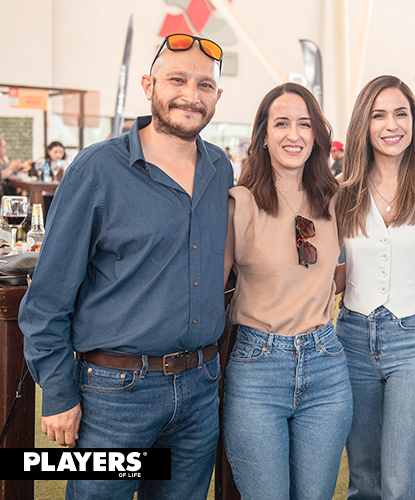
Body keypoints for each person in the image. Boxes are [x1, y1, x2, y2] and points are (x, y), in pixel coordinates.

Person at [19, 33, 232, 500]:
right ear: (148, 85)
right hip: (115, 395)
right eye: (177, 80)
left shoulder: (220, 168)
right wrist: (58, 393)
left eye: (204, 85)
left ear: (218, 96)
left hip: (200, 387)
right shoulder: (96, 170)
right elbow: (46, 299)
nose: (190, 96)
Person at [222, 82, 353, 500]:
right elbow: (209, 291)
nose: (293, 134)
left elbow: (335, 275)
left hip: (326, 364)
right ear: (263, 135)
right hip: (257, 367)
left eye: (304, 124)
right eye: (281, 123)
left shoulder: (337, 200)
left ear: (316, 136)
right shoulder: (238, 204)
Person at [335, 75, 415, 500]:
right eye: (379, 115)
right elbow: (331, 271)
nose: (392, 125)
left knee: (403, 483)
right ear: (364, 124)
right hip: (352, 338)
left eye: (401, 113)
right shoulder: (342, 193)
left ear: (413, 121)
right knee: (363, 479)